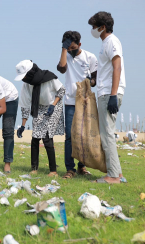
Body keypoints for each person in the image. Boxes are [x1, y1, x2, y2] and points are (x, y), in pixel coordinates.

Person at [88, 11, 126, 184]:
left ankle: (112, 176)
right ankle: (117, 174)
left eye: (94, 27)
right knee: (108, 133)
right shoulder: (105, 43)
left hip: (109, 93)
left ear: (103, 27)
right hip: (105, 92)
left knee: (107, 135)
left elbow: (117, 68)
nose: (93, 30)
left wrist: (112, 94)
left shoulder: (111, 41)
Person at [57, 30, 97, 179]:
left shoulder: (90, 57)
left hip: (85, 101)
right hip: (70, 101)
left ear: (80, 44)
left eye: (73, 48)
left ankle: (82, 166)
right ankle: (70, 169)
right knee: (69, 136)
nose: (71, 51)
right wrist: (63, 49)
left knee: (83, 135)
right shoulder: (66, 55)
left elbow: (95, 79)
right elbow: (61, 68)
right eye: (69, 48)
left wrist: (89, 81)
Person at [15, 60, 65, 177]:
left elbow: (61, 90)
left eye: (25, 75)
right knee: (35, 137)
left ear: (31, 72)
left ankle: (53, 171)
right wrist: (23, 125)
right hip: (40, 107)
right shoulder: (27, 84)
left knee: (47, 137)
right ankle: (34, 169)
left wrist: (53, 105)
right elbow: (26, 104)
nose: (24, 78)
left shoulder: (49, 78)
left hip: (54, 105)